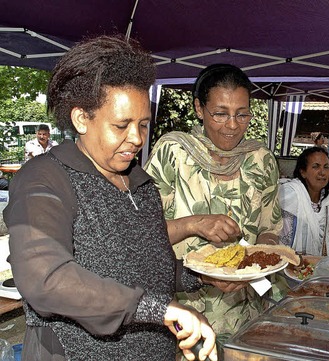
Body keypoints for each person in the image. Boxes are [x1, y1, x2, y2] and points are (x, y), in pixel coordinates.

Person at [4, 35, 217, 361]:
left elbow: (147, 268)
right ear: (81, 119)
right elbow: (45, 278)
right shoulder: (44, 177)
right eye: (121, 125)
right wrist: (159, 308)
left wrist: (202, 277)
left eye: (143, 124)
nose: (136, 138)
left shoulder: (141, 183)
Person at [144, 64, 282, 343]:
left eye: (242, 114)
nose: (232, 125)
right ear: (198, 108)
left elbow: (270, 228)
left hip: (247, 311)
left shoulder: (260, 159)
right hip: (185, 315)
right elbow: (142, 233)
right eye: (220, 114)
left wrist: (260, 258)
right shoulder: (174, 153)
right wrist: (194, 224)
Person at [279, 146, 329, 255]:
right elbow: (282, 241)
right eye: (316, 167)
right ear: (303, 172)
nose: (322, 172)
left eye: (326, 167)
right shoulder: (291, 193)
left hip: (322, 265)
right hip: (290, 262)